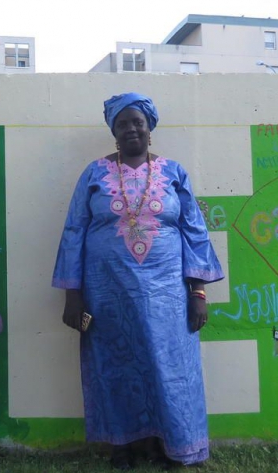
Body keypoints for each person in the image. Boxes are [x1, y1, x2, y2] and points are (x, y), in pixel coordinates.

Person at [53, 92, 224, 468]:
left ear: (149, 129)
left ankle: (168, 443)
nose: (131, 128)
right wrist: (73, 295)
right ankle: (124, 445)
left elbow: (194, 231)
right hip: (107, 292)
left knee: (168, 367)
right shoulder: (94, 173)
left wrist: (198, 292)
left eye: (137, 122)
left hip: (168, 296)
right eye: (123, 123)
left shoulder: (174, 173)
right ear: (113, 131)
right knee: (115, 365)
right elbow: (74, 231)